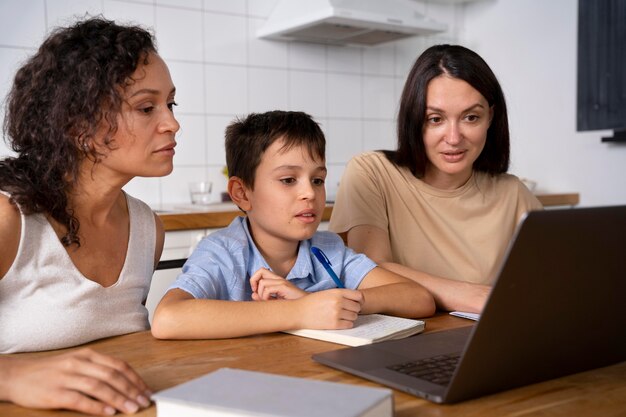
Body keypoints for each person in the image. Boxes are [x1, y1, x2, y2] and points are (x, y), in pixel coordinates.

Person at [0, 17, 180, 415]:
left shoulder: (149, 229)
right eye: (146, 107)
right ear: (79, 125)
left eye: (170, 103)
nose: (172, 123)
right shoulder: (8, 218)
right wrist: (13, 377)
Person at [151, 111, 435, 340]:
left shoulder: (329, 250)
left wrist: (341, 302)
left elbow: (418, 298)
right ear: (242, 193)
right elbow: (167, 319)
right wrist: (300, 310)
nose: (309, 193)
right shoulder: (222, 252)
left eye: (318, 180)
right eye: (288, 180)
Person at [329, 44, 542, 314]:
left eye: (471, 117)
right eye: (435, 119)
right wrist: (470, 295)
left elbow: (559, 278)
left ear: (491, 117)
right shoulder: (372, 172)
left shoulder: (513, 193)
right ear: (414, 119)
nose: (453, 138)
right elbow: (369, 268)